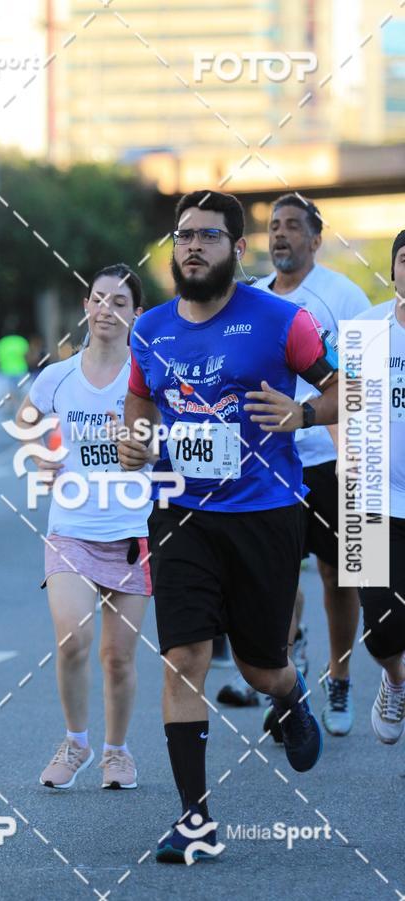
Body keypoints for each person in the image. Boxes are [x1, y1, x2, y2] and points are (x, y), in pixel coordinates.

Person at [118, 190, 338, 862]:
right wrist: (135, 437)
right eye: (184, 235)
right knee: (183, 657)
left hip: (265, 514)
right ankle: (194, 819)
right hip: (181, 512)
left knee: (258, 663)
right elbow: (139, 397)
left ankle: (290, 693)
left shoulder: (282, 320)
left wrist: (301, 416)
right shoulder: (150, 328)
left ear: (237, 250)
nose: (193, 247)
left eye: (209, 236)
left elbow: (343, 390)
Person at [229, 194, 369, 736]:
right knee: (277, 580)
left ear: (316, 238)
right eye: (273, 227)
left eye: (293, 226)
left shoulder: (344, 296)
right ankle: (290, 679)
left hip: (338, 458)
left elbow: (363, 385)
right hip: (271, 464)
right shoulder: (254, 298)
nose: (280, 235)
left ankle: (340, 678)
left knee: (342, 574)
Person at [15, 264, 152, 791]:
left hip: (131, 529)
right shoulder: (58, 376)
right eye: (98, 300)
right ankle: (75, 742)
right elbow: (25, 427)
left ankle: (116, 754)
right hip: (71, 524)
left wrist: (146, 451)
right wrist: (38, 458)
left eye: (119, 303)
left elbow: (168, 445)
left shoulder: (147, 377)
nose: (106, 311)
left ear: (135, 314)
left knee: (118, 657)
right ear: (85, 307)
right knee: (73, 638)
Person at [354, 230, 405, 744]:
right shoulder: (367, 330)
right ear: (393, 270)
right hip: (372, 500)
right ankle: (395, 678)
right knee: (382, 629)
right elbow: (332, 397)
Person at [0, 332, 29, 410]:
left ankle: (11, 406)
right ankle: (19, 406)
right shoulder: (21, 341)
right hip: (20, 369)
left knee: (9, 389)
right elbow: (27, 354)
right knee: (19, 389)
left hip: (6, 370)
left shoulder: (2, 342)